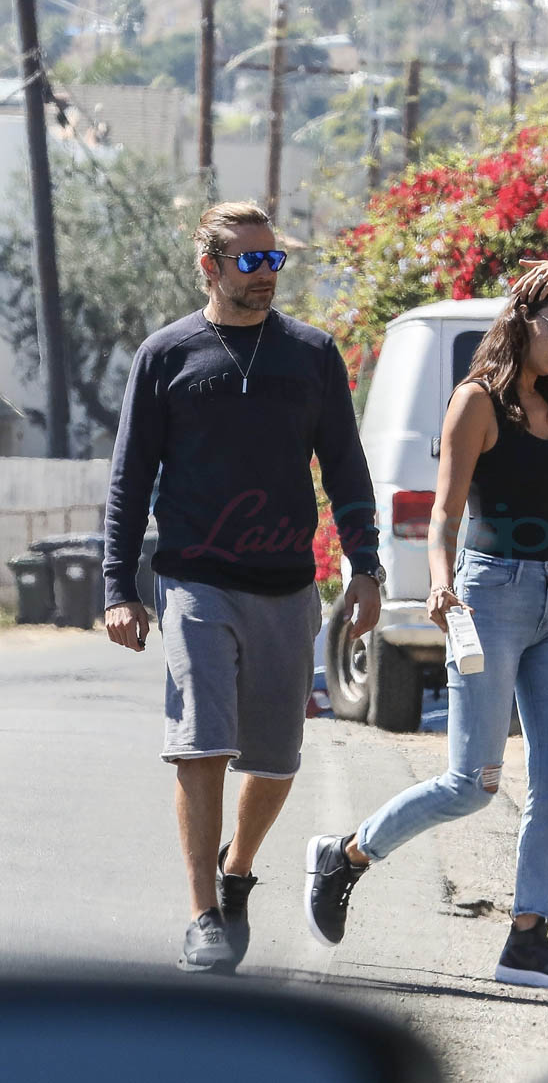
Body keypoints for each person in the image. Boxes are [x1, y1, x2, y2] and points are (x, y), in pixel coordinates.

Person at [305, 257, 548, 988]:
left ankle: (527, 937)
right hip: (488, 595)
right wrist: (440, 584)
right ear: (521, 321)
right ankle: (346, 854)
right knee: (472, 782)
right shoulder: (475, 402)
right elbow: (443, 513)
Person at [103, 201, 383, 973]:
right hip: (195, 580)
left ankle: (237, 870)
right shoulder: (167, 354)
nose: (266, 275)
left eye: (274, 260)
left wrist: (365, 568)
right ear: (210, 266)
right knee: (201, 742)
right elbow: (130, 478)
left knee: (275, 758)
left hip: (286, 584)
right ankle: (202, 915)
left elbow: (346, 468)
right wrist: (118, 587)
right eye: (250, 261)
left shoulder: (311, 354)